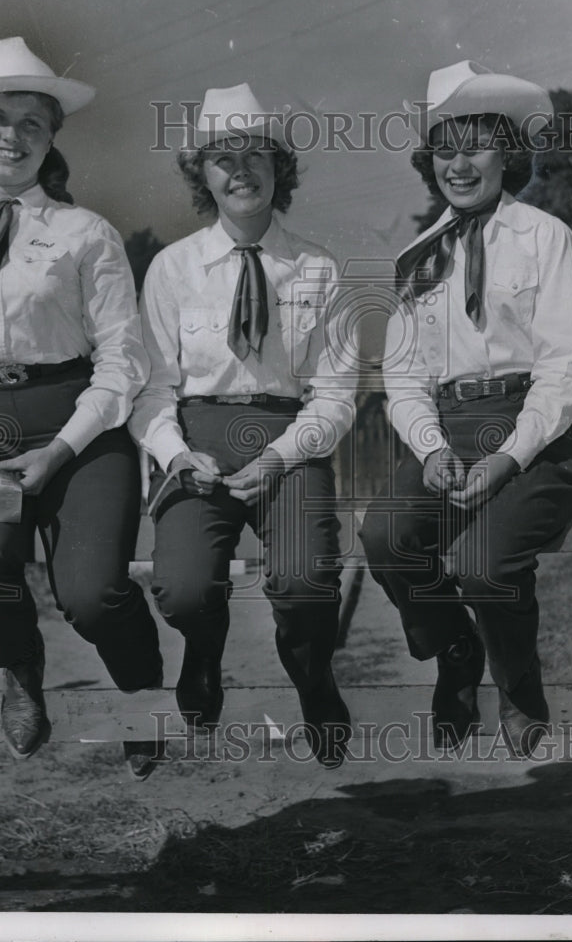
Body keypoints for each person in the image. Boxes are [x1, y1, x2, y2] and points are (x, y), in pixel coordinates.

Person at [0, 37, 162, 778]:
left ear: (51, 138)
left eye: (31, 123)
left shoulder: (87, 235)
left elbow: (123, 360)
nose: (11, 136)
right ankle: (19, 668)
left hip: (79, 422)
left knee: (92, 595)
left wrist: (64, 446)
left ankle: (142, 694)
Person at [359, 61, 572, 757]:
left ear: (505, 152)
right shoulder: (412, 258)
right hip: (448, 432)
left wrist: (510, 455)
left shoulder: (543, 236)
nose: (458, 164)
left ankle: (518, 683)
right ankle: (454, 648)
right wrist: (430, 448)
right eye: (443, 149)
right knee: (385, 539)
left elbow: (560, 364)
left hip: (532, 438)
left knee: (482, 564)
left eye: (475, 145)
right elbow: (403, 378)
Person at [129, 83, 358, 768]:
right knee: (184, 587)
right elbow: (150, 392)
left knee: (304, 579)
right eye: (221, 158)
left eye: (256, 154)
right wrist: (176, 455)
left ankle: (313, 676)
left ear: (278, 169)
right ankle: (203, 651)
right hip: (199, 438)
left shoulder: (317, 267)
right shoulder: (172, 269)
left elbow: (337, 393)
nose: (240, 170)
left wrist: (282, 457)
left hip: (290, 438)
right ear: (201, 175)